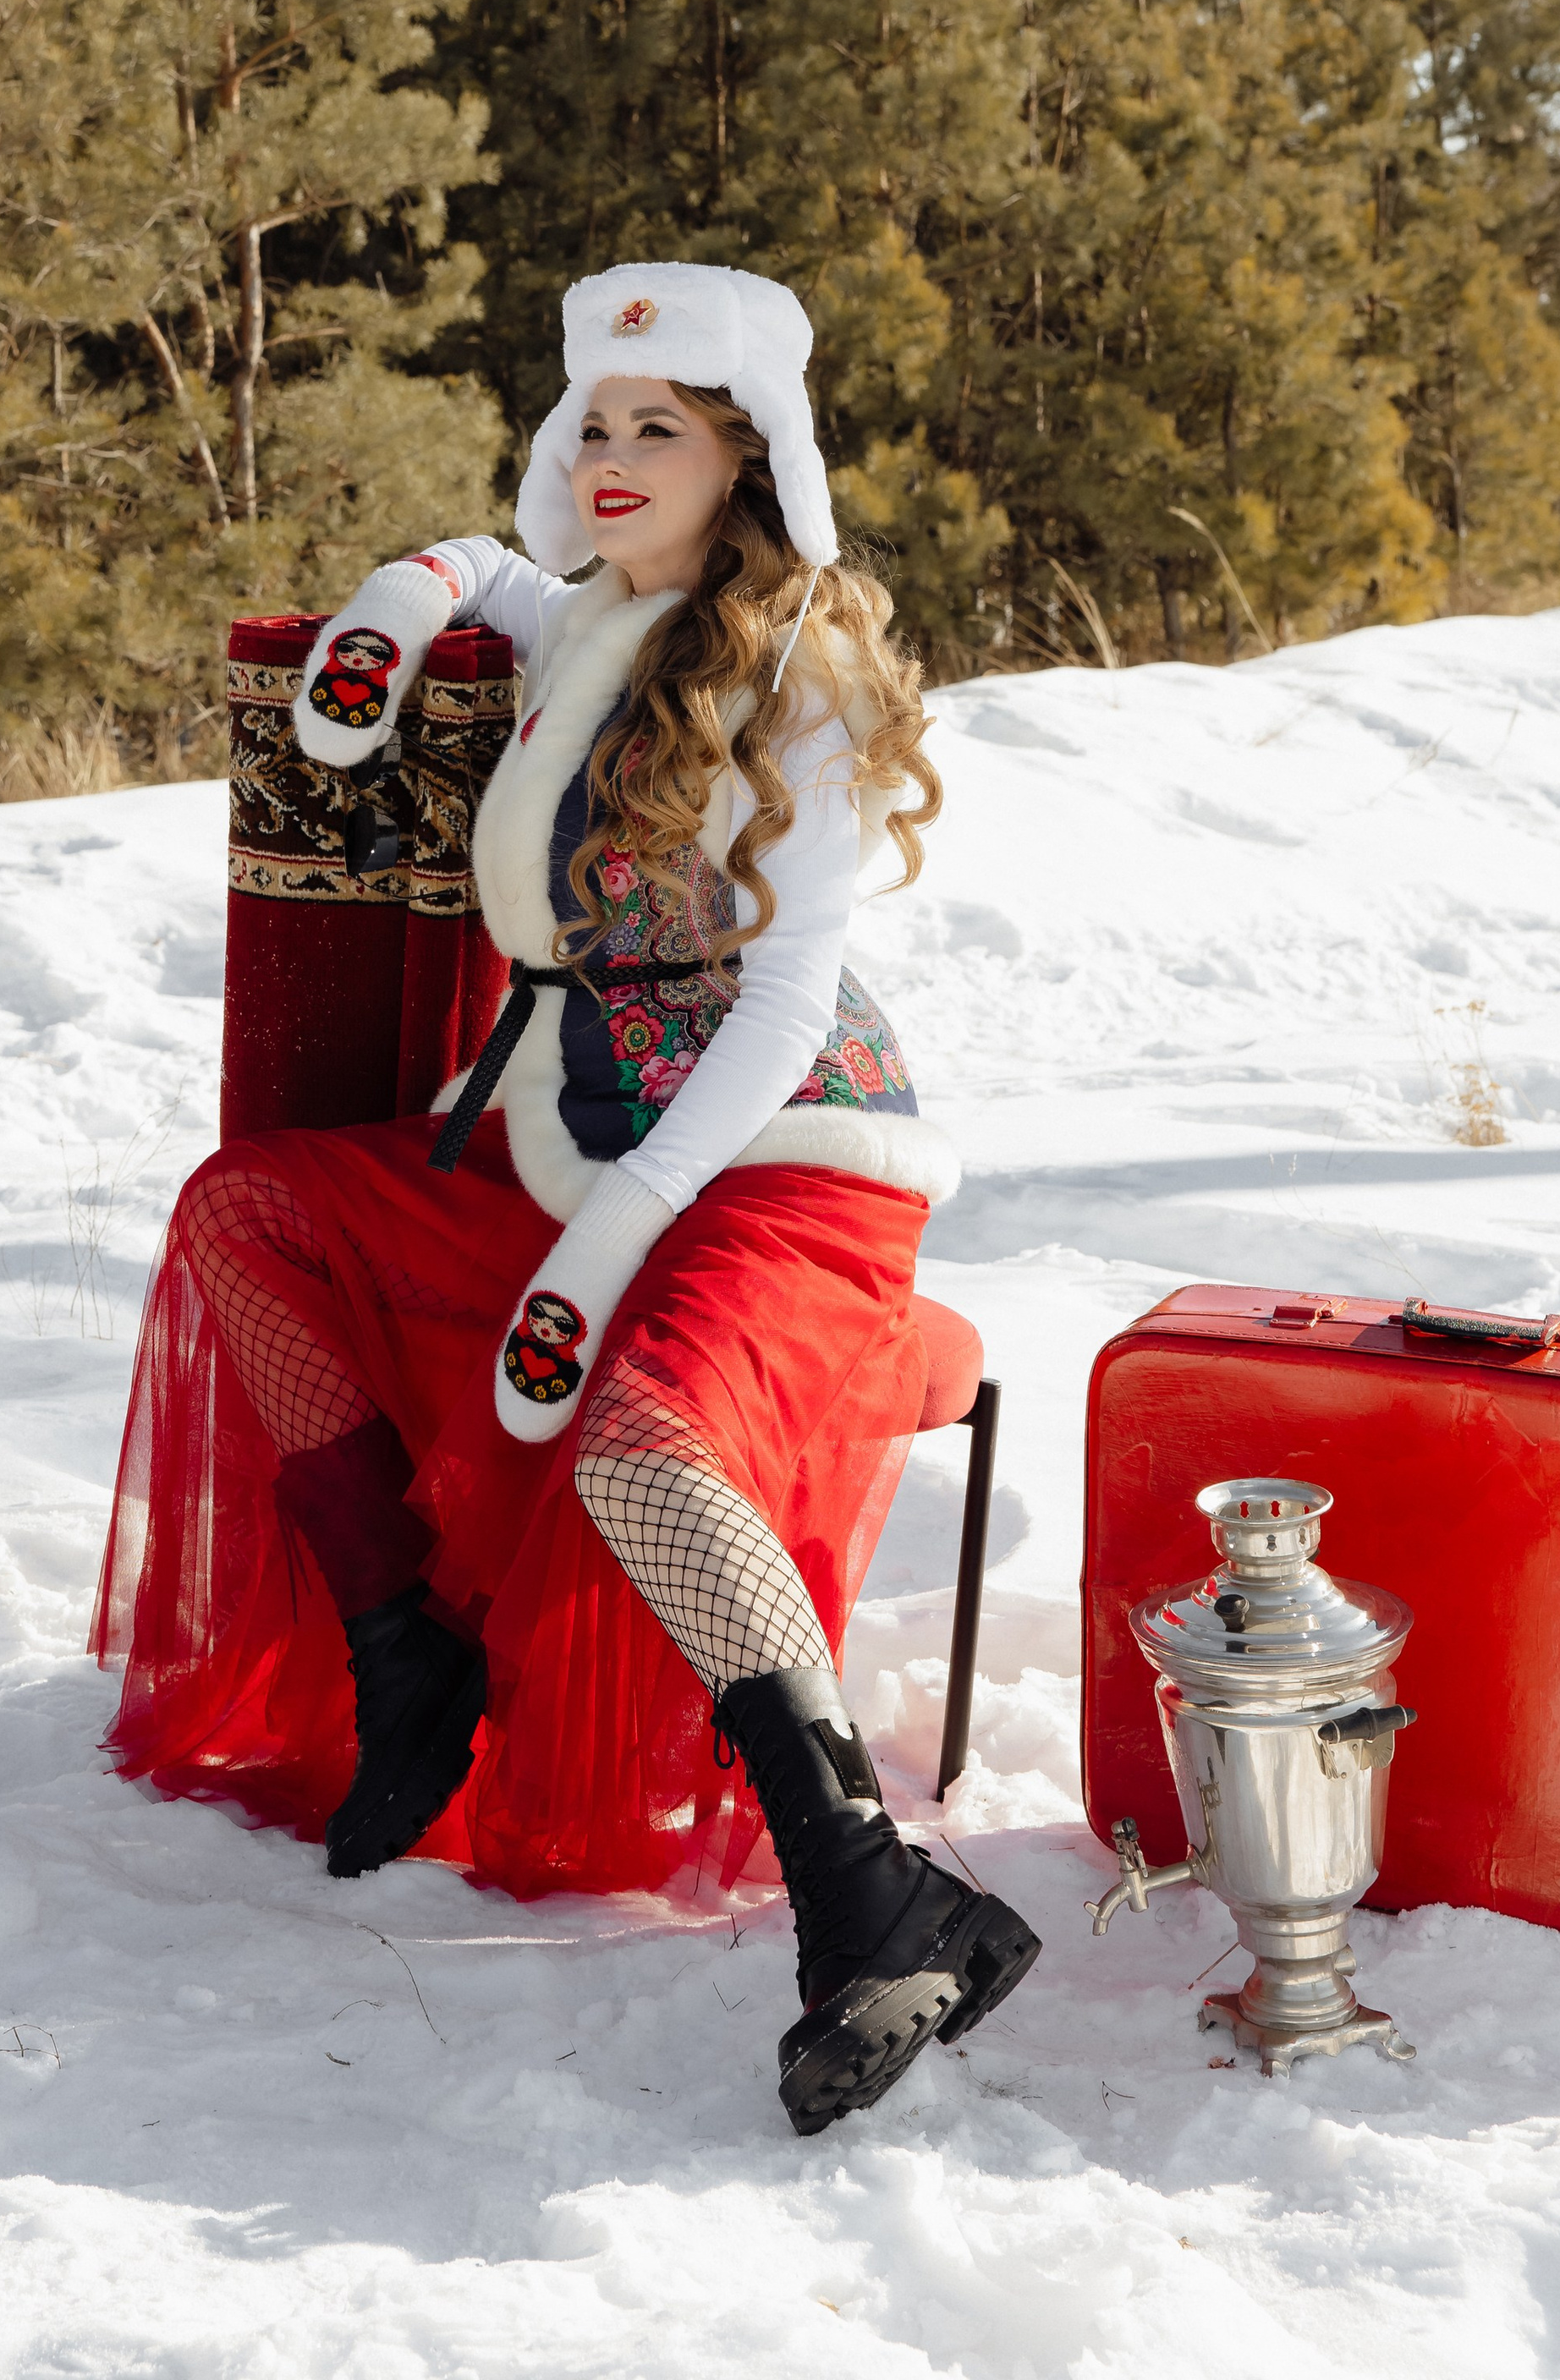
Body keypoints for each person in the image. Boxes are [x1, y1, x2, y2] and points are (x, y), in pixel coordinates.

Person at [92, 262, 1038, 2134]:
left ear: (741, 456)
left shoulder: (802, 666)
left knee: (641, 1448)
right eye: (590, 426)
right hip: (575, 1138)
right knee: (247, 1219)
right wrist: (403, 597)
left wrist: (624, 1228)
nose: (609, 459)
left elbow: (775, 1001)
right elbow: (499, 580)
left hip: (777, 1158)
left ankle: (877, 1896)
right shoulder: (600, 614)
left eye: (655, 430)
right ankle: (404, 1646)